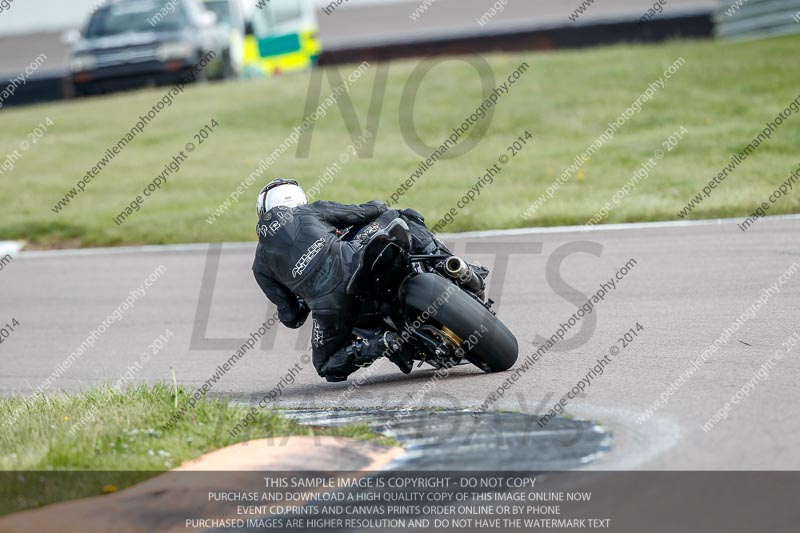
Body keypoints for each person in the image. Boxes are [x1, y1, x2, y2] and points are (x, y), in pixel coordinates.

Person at [252, 178, 455, 382]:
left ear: (263, 210)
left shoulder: (260, 265)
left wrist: (304, 292)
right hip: (354, 262)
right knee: (399, 215)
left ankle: (380, 342)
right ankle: (448, 264)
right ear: (300, 199)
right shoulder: (312, 210)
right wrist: (375, 207)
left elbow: (292, 318)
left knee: (325, 365)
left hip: (329, 307)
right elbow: (369, 210)